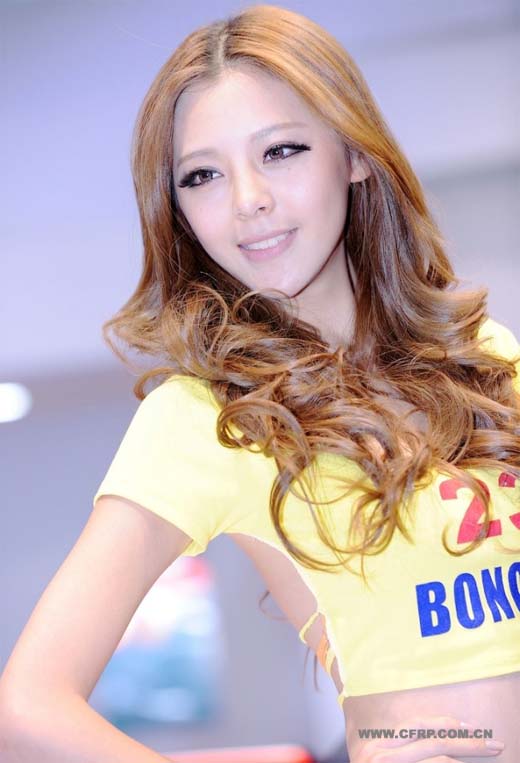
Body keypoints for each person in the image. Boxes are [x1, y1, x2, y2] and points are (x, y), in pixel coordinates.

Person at [1, 4, 519, 761]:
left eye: (281, 151)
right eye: (203, 175)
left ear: (354, 153)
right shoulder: (209, 417)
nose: (248, 199)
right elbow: (27, 707)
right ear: (178, 210)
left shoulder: (482, 354)